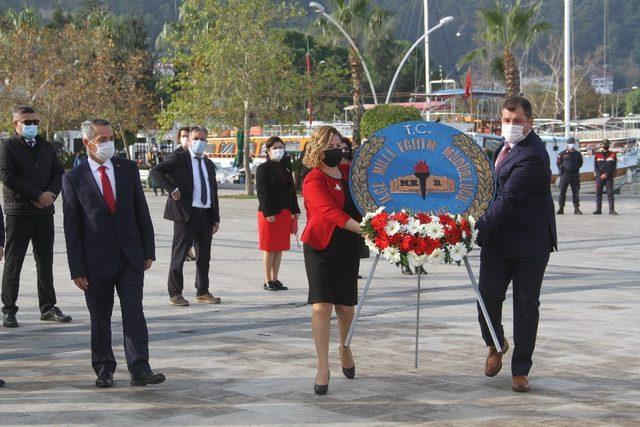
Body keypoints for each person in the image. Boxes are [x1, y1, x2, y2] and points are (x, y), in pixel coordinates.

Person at [62, 118, 165, 388]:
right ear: (87, 143)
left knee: (134, 313)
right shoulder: (73, 178)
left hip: (130, 256)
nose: (109, 144)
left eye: (111, 139)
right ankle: (104, 368)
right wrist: (77, 269)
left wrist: (148, 250)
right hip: (95, 261)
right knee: (100, 317)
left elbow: (141, 211)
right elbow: (71, 228)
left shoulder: (127, 169)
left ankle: (140, 368)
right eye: (102, 140)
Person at [475, 96, 557, 393]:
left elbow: (508, 198)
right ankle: (496, 343)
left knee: (525, 305)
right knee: (486, 298)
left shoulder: (533, 155)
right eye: (506, 121)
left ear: (530, 122)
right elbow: (490, 191)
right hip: (498, 241)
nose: (511, 126)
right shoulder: (502, 148)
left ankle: (520, 369)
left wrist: (475, 227)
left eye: (517, 121)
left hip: (529, 243)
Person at [301, 126, 363, 395]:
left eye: (340, 145)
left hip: (347, 248)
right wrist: (370, 230)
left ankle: (345, 347)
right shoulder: (313, 179)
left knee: (346, 308)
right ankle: (322, 366)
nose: (338, 150)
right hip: (320, 247)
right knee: (321, 307)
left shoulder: (350, 173)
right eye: (331, 146)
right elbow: (329, 213)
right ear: (318, 149)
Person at [0, 105, 70, 328]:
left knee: (45, 261)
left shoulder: (46, 146)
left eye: (34, 122)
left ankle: (48, 307)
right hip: (19, 212)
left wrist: (50, 195)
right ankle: (9, 310)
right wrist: (36, 195)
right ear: (16, 124)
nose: (31, 126)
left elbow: (58, 173)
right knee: (14, 262)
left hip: (43, 213)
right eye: (26, 122)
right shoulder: (7, 147)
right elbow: (7, 176)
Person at [151, 125, 221, 306]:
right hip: (185, 215)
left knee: (204, 256)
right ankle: (175, 293)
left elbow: (213, 192)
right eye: (196, 138)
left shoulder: (208, 163)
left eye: (203, 139)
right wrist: (172, 189)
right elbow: (156, 171)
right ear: (189, 140)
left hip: (205, 215)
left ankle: (203, 291)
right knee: (179, 255)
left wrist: (216, 217)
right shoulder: (179, 158)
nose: (200, 142)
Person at [256, 136, 300, 291]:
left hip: (284, 213)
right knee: (269, 248)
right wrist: (269, 212)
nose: (278, 150)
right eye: (274, 148)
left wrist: (295, 210)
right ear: (268, 150)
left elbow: (291, 191)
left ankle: (275, 279)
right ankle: (267, 280)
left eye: (280, 147)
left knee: (279, 248)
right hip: (269, 214)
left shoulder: (286, 167)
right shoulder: (263, 169)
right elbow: (262, 193)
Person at [556, 137, 583, 215]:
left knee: (575, 192)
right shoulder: (562, 153)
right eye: (570, 143)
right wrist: (563, 168)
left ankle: (576, 208)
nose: (571, 145)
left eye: (572, 143)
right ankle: (561, 208)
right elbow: (558, 163)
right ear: (567, 144)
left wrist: (574, 168)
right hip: (565, 175)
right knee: (562, 192)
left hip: (574, 175)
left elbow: (580, 163)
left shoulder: (577, 154)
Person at [593, 139, 617, 215]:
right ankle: (598, 210)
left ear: (608, 146)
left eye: (606, 145)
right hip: (599, 177)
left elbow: (613, 166)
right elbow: (596, 166)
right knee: (598, 194)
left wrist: (606, 174)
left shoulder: (613, 154)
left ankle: (611, 210)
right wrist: (600, 174)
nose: (605, 146)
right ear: (602, 145)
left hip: (609, 177)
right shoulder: (597, 154)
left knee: (610, 194)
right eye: (604, 145)